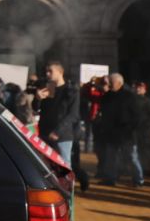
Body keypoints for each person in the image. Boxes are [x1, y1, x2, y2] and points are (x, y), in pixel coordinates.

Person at [37, 61, 87, 191]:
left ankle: (67, 198)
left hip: (63, 136)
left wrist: (58, 131)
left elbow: (73, 115)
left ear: (60, 72)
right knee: (46, 167)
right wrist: (38, 99)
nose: (47, 74)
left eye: (50, 71)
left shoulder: (71, 90)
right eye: (46, 71)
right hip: (45, 134)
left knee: (64, 168)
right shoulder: (47, 88)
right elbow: (37, 110)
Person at [97, 73, 142, 187]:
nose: (108, 84)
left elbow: (137, 116)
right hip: (111, 133)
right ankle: (109, 178)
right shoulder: (106, 96)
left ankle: (138, 180)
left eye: (110, 82)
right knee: (110, 157)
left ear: (119, 83)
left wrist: (130, 129)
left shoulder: (129, 96)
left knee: (132, 157)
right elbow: (104, 114)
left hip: (127, 133)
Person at [133, 82, 150, 178]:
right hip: (135, 130)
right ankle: (142, 169)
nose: (138, 89)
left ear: (145, 90)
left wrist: (146, 126)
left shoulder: (149, 102)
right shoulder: (132, 101)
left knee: (147, 150)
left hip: (145, 131)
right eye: (137, 87)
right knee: (137, 150)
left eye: (140, 88)